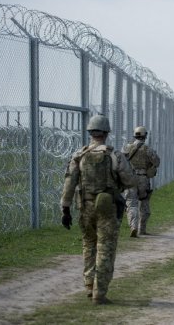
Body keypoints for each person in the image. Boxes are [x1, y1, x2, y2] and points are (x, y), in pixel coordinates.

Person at [60, 115, 136, 305]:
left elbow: (69, 183)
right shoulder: (114, 155)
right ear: (106, 133)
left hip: (84, 207)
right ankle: (99, 292)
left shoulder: (80, 155)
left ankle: (88, 285)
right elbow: (129, 180)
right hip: (107, 208)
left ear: (90, 133)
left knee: (88, 245)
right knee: (106, 248)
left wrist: (65, 209)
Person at [122, 126, 161, 237]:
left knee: (131, 204)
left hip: (130, 178)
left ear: (134, 135)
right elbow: (157, 162)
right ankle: (141, 229)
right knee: (144, 203)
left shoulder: (127, 148)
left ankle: (133, 226)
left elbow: (120, 161)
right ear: (145, 136)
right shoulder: (147, 149)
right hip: (143, 179)